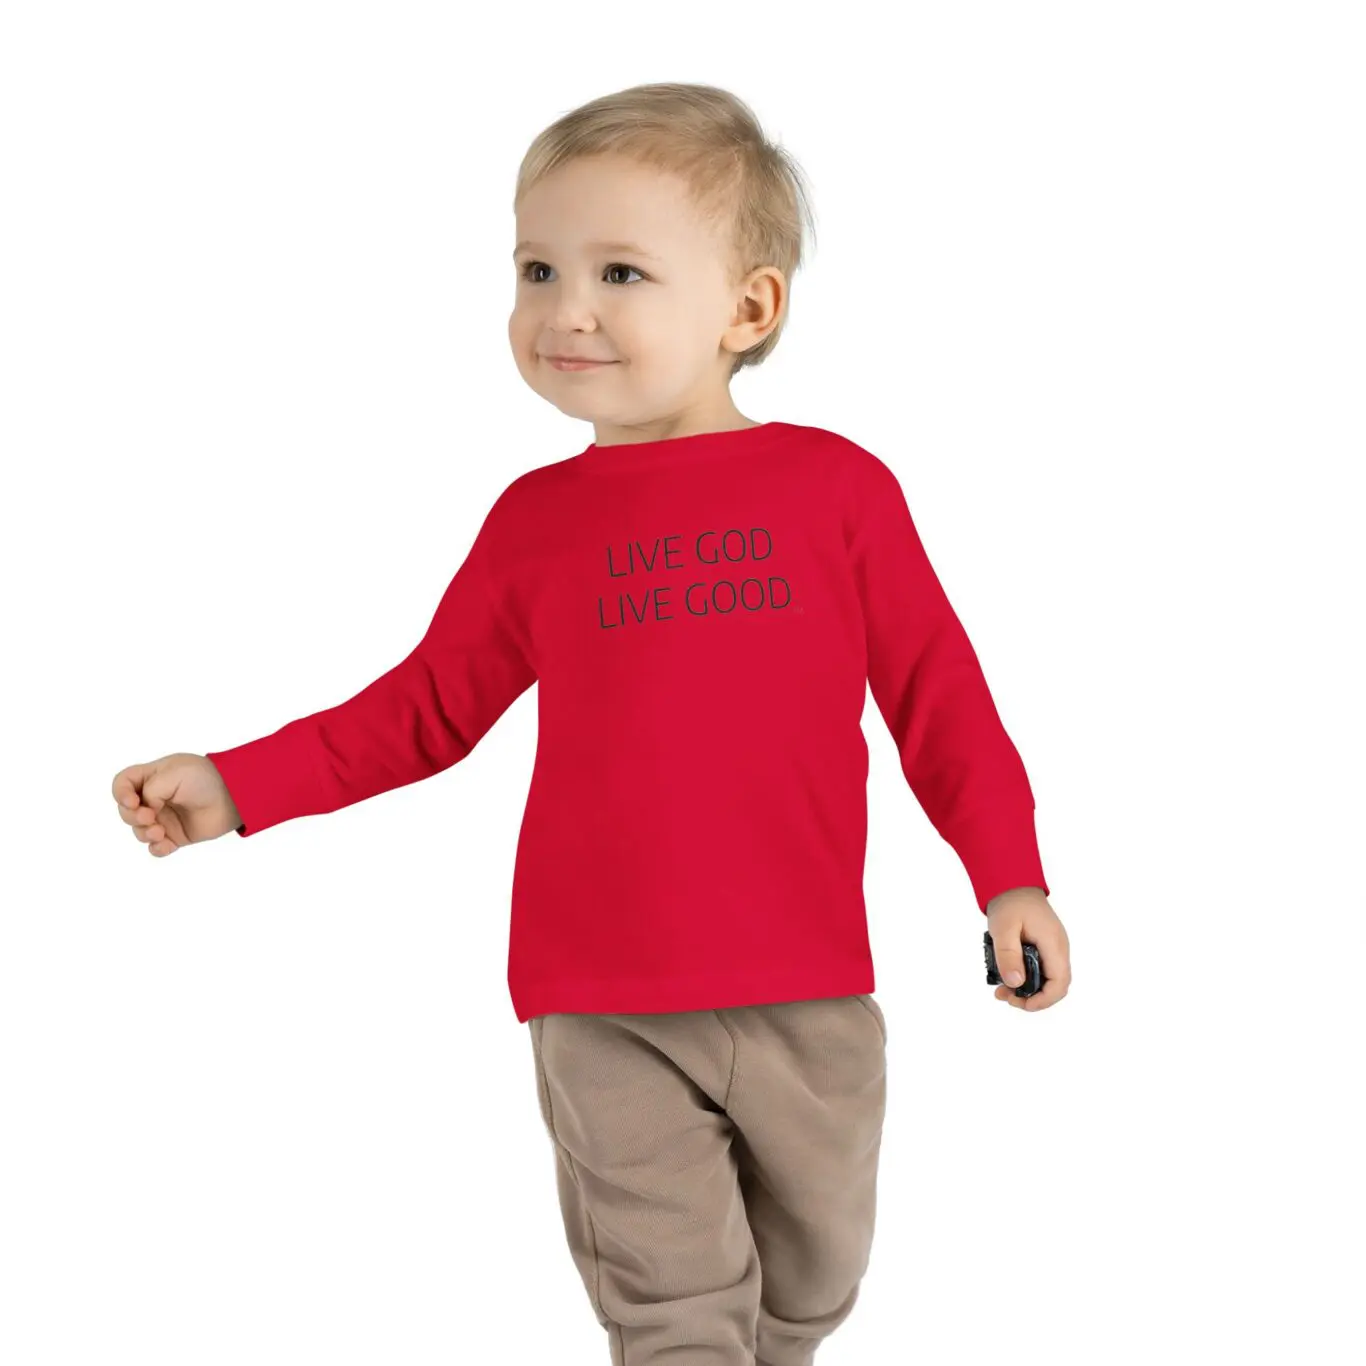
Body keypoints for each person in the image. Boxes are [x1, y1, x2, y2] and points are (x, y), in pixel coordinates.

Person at [111, 82, 1072, 1366]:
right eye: (537, 269)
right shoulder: (538, 521)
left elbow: (938, 697)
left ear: (748, 308)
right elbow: (425, 707)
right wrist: (239, 784)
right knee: (673, 1309)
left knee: (813, 1280)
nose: (566, 308)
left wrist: (1008, 876)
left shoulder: (835, 490)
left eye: (620, 272)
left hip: (807, 985)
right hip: (599, 992)